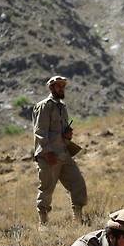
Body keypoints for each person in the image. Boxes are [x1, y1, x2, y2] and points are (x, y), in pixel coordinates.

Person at [32, 76, 87, 226]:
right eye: (58, 86)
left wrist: (67, 134)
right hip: (49, 156)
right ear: (51, 88)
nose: (61, 88)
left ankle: (78, 220)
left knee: (78, 183)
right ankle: (43, 224)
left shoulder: (62, 107)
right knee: (47, 189)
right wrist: (47, 151)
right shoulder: (44, 106)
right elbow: (40, 131)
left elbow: (59, 131)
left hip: (64, 153)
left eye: (63, 86)